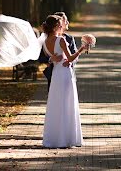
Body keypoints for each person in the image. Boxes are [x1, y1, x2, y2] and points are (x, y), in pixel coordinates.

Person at [42, 14, 87, 148]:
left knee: (56, 105)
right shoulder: (61, 40)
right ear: (56, 26)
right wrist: (81, 49)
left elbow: (53, 57)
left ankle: (54, 138)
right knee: (67, 104)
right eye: (60, 24)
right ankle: (68, 138)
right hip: (65, 74)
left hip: (56, 74)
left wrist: (52, 59)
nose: (62, 26)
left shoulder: (45, 41)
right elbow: (71, 58)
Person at [38, 11, 77, 90]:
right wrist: (50, 59)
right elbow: (39, 57)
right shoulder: (45, 39)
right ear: (59, 23)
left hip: (66, 72)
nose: (67, 22)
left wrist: (70, 62)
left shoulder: (69, 38)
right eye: (65, 21)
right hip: (52, 73)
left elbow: (74, 54)